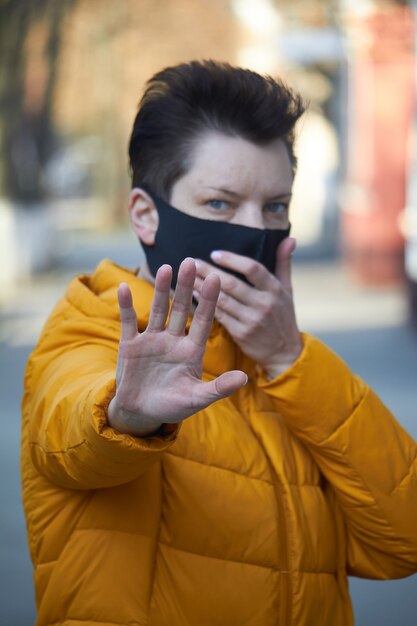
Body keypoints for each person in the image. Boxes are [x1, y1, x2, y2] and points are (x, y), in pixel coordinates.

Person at [21, 60, 417, 626]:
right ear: (145, 214)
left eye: (275, 206)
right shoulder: (94, 328)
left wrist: (290, 358)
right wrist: (125, 417)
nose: (253, 231)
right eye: (219, 205)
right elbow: (69, 430)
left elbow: (404, 540)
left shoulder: (283, 365)